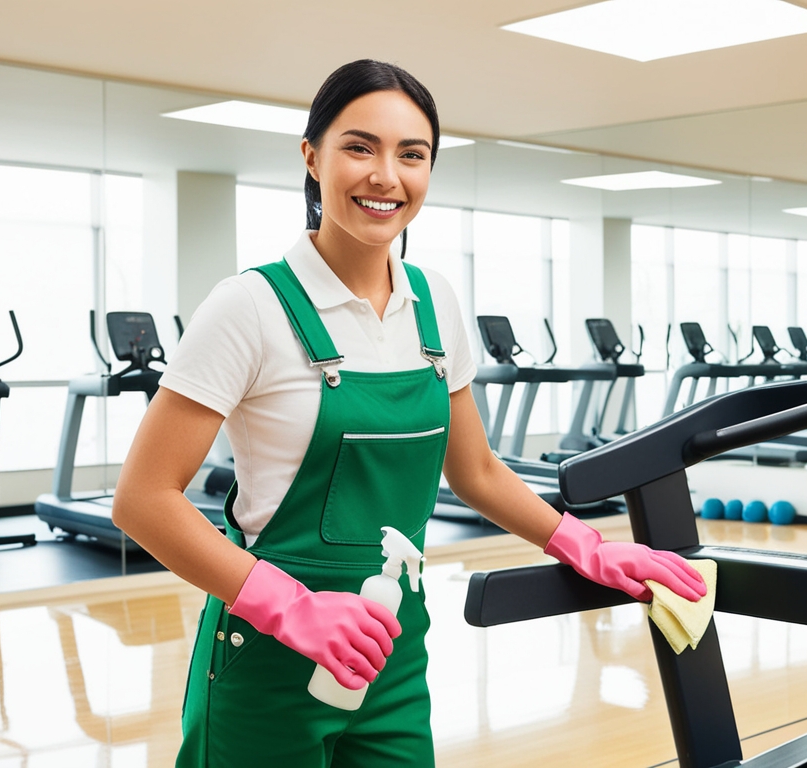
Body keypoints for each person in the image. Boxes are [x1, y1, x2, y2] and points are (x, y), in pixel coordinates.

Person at [112, 59, 707, 768]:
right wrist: (292, 609)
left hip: (391, 651)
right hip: (266, 660)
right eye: (359, 147)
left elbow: (477, 471)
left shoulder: (434, 303)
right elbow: (143, 499)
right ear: (311, 157)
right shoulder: (249, 307)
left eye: (412, 155)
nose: (385, 176)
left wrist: (590, 547)